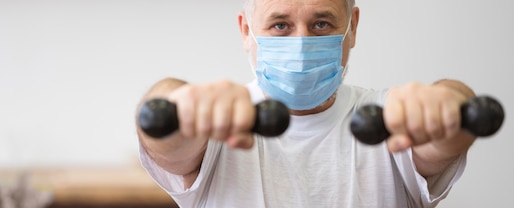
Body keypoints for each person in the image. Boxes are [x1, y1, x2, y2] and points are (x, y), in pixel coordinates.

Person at [135, 0, 477, 207]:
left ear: (352, 28)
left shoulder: (390, 120)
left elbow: (448, 134)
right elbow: (164, 140)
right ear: (246, 31)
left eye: (321, 24)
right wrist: (172, 101)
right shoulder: (214, 124)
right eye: (280, 24)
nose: (300, 43)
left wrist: (449, 100)